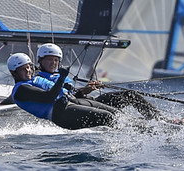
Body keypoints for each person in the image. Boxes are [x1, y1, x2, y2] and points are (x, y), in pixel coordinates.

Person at [9, 45, 157, 130]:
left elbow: (64, 92)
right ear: (14, 72)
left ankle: (155, 125)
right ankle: (146, 131)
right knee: (108, 117)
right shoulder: (21, 89)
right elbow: (49, 97)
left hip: (72, 101)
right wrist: (61, 79)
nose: (28, 70)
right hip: (61, 112)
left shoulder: (34, 79)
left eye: (28, 67)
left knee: (117, 113)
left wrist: (84, 89)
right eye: (23, 69)